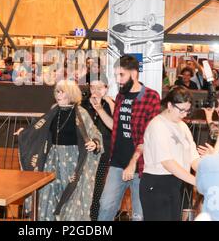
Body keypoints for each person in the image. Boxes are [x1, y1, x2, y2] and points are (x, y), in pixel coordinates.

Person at [15, 80, 103, 221]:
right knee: (47, 194)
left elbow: (95, 134)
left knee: (73, 199)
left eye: (62, 91)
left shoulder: (81, 113)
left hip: (73, 161)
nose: (58, 94)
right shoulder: (54, 110)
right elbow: (40, 128)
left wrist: (94, 143)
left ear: (71, 94)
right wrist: (24, 133)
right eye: (57, 91)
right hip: (53, 159)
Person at [98, 55, 161, 221]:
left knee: (139, 215)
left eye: (121, 75)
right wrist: (99, 109)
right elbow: (115, 127)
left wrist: (132, 163)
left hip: (141, 166)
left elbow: (149, 137)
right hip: (117, 163)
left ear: (134, 74)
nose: (118, 80)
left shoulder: (151, 97)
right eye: (116, 75)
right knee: (105, 207)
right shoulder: (121, 96)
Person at [140, 86, 200, 221]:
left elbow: (193, 155)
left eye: (187, 110)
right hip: (157, 184)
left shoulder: (182, 125)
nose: (185, 114)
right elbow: (167, 162)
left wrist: (207, 173)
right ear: (169, 105)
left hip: (176, 183)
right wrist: (196, 181)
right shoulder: (157, 125)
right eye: (182, 110)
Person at [82, 75, 114, 221]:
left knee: (97, 191)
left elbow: (116, 125)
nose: (95, 91)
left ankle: (93, 220)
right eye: (93, 87)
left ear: (106, 89)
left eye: (100, 88)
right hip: (83, 154)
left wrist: (106, 103)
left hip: (102, 154)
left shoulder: (110, 104)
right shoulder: (82, 104)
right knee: (81, 189)